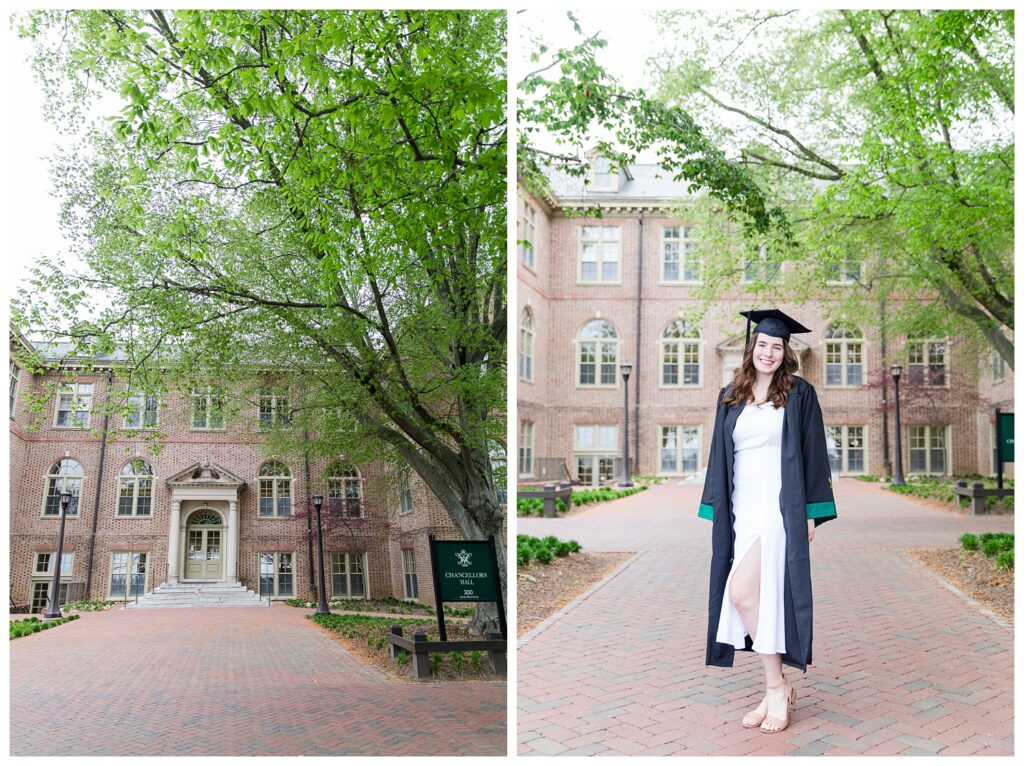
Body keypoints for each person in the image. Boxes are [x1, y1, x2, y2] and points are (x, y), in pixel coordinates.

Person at [697, 309, 837, 733]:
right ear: (751, 348)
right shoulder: (730, 396)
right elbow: (719, 459)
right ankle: (775, 686)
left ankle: (777, 688)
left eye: (777, 346)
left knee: (740, 593)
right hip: (741, 511)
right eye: (762, 344)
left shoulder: (799, 395)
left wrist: (811, 513)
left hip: (779, 509)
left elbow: (813, 454)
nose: (769, 352)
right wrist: (715, 508)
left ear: (785, 352)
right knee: (751, 597)